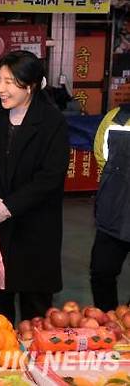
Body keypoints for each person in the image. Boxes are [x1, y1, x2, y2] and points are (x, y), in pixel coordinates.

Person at [0, 50, 69, 323]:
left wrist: (9, 206)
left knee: (35, 318)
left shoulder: (52, 123)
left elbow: (50, 177)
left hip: (34, 231)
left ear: (31, 85)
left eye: (10, 82)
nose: (1, 88)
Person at [90, 104, 130, 311]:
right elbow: (101, 157)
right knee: (102, 272)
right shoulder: (115, 119)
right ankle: (109, 324)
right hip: (114, 211)